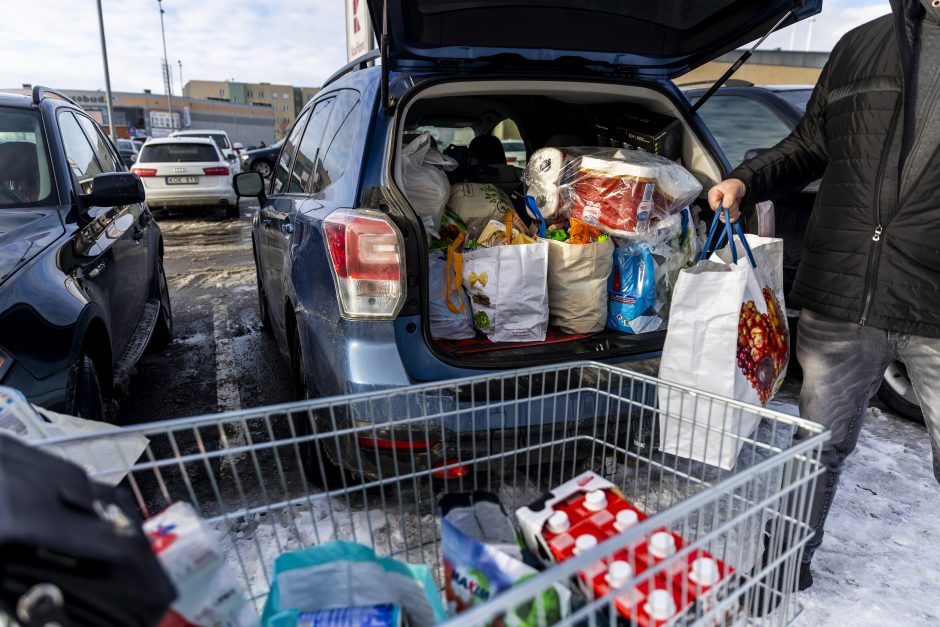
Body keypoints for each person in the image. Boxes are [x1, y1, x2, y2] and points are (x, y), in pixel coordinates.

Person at [709, 0, 940, 599]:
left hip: (934, 303)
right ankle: (780, 568)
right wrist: (747, 178)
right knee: (816, 448)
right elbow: (810, 142)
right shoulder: (861, 44)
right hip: (842, 297)